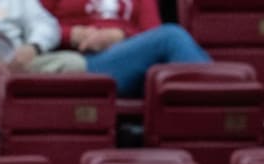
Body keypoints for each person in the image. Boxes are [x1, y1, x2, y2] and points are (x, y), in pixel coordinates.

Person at [42, 0, 211, 97]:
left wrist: (121, 35)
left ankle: (212, 102)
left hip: (131, 60)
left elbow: (152, 32)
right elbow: (34, 28)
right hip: (83, 61)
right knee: (172, 37)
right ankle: (216, 98)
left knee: (173, 43)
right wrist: (73, 34)